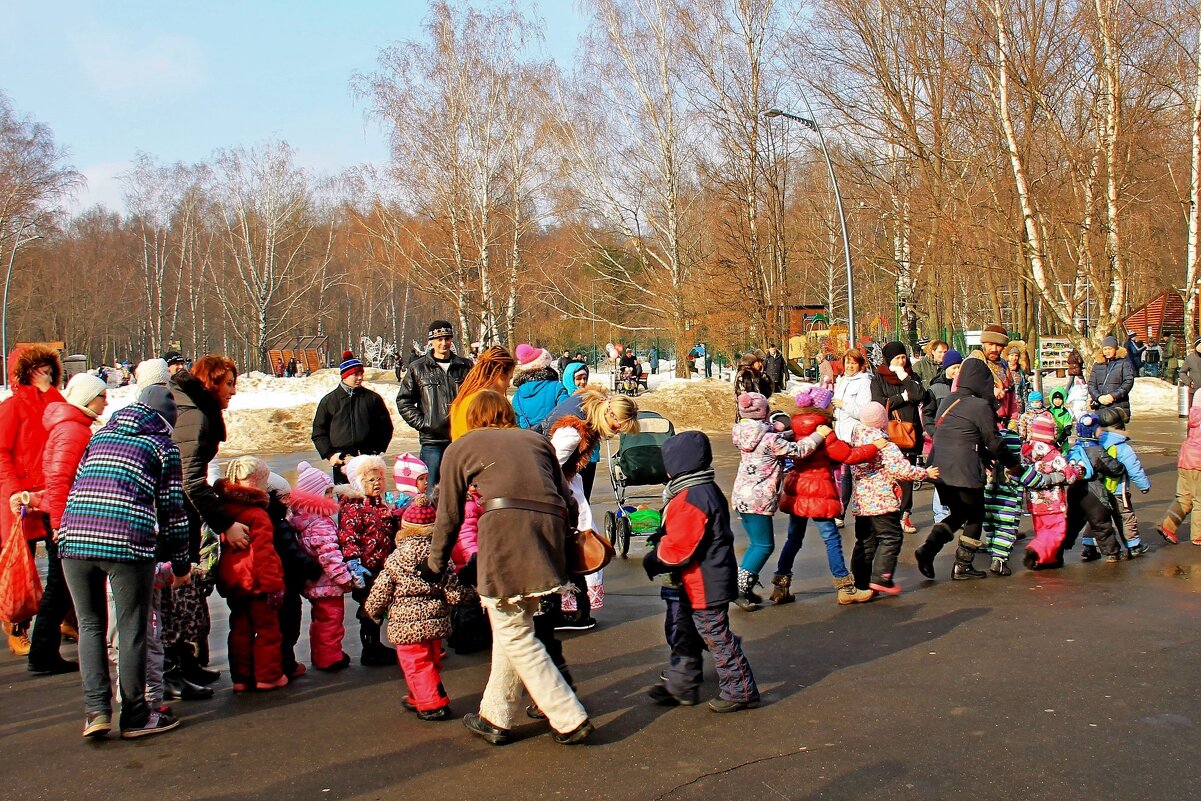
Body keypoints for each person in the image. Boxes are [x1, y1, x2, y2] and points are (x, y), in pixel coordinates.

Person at [423, 391, 593, 746]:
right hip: (549, 533)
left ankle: (569, 717)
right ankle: (494, 717)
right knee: (512, 625)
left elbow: (449, 514)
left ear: (473, 418)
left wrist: (435, 563)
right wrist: (565, 538)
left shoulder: (463, 446)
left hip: (506, 534)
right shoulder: (536, 440)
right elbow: (568, 499)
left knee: (515, 632)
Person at [58, 385, 190, 739]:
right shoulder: (161, 446)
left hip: (75, 539)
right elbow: (173, 511)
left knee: (89, 625)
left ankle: (96, 711)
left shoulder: (100, 436)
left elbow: (79, 481)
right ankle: (134, 715)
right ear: (167, 419)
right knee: (131, 628)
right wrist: (181, 565)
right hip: (127, 542)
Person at [642, 431, 760, 712]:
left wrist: (655, 558)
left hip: (704, 582)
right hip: (698, 579)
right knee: (687, 631)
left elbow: (679, 548)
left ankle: (739, 689)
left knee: (714, 635)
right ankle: (681, 684)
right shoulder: (700, 488)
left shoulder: (692, 497)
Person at [16, 373, 107, 673]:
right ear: (85, 399)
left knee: (62, 587)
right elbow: (60, 481)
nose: (105, 400)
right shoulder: (72, 431)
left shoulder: (73, 427)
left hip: (62, 515)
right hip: (66, 519)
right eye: (100, 395)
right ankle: (42, 653)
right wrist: (57, 525)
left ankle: (43, 652)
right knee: (60, 587)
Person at [166, 355, 243, 692]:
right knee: (176, 594)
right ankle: (172, 671)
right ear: (211, 384)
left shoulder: (194, 409)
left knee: (185, 595)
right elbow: (189, 482)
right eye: (228, 384)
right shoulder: (195, 416)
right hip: (173, 518)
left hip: (180, 514)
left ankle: (186, 663)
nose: (234, 392)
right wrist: (226, 523)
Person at [914, 358, 1022, 580]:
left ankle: (928, 549)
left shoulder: (950, 399)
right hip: (962, 468)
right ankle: (962, 565)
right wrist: (1014, 465)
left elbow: (959, 432)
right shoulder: (980, 405)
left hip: (939, 467)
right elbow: (995, 442)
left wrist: (982, 454)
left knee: (960, 513)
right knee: (975, 516)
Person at [365, 501, 474, 722]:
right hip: (435, 621)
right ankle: (419, 694)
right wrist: (468, 596)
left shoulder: (397, 557)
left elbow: (382, 588)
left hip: (406, 623)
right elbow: (454, 591)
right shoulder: (440, 557)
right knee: (430, 660)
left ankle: (432, 704)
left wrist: (372, 610)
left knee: (416, 663)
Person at [772, 388, 882, 606]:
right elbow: (847, 455)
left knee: (794, 539)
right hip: (818, 489)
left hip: (798, 487)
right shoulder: (822, 428)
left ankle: (780, 586)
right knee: (831, 538)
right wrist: (873, 447)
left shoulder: (795, 425)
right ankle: (845, 588)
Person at [548, 388, 639, 626]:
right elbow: (548, 466)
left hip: (566, 484)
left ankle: (573, 606)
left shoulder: (589, 408)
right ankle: (569, 607)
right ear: (609, 413)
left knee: (580, 540)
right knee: (579, 543)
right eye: (619, 426)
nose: (617, 432)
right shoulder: (573, 432)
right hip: (558, 489)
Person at [0, 345, 65, 656]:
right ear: (24, 374)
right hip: (20, 498)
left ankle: (64, 619)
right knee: (18, 566)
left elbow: (67, 421)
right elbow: (1, 453)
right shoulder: (12, 407)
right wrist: (14, 490)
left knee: (62, 561)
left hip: (49, 494)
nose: (46, 375)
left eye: (49, 369)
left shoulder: (51, 401)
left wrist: (49, 391)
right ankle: (16, 625)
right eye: (38, 369)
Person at [730, 392, 819, 608]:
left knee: (755, 544)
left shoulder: (742, 433)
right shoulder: (770, 440)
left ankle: (745, 586)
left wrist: (786, 431)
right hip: (759, 499)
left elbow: (768, 437)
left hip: (742, 496)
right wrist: (818, 436)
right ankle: (739, 589)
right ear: (765, 413)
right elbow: (799, 451)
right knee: (763, 545)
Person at [848, 401, 938, 596]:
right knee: (891, 537)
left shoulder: (857, 438)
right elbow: (901, 469)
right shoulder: (884, 444)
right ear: (882, 421)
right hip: (882, 500)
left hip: (862, 501)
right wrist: (926, 473)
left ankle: (861, 582)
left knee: (865, 541)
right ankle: (882, 577)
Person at [213, 457, 288, 692]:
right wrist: (274, 586)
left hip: (234, 580)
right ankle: (268, 675)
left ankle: (241, 677)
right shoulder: (257, 514)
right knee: (267, 630)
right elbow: (264, 554)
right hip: (257, 582)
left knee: (240, 628)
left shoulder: (224, 509)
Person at [338, 454, 402, 666]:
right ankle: (370, 648)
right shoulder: (353, 507)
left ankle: (375, 644)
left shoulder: (381, 505)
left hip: (382, 566)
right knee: (368, 607)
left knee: (379, 604)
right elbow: (349, 538)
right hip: (365, 568)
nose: (377, 483)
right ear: (358, 482)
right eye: (371, 480)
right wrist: (353, 563)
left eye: (380, 479)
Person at [289, 461, 353, 671]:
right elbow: (330, 555)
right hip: (328, 583)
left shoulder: (303, 519)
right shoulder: (321, 524)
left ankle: (321, 653)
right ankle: (329, 657)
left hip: (315, 582)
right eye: (326, 493)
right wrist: (344, 577)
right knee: (331, 622)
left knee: (320, 620)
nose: (330, 497)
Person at [396, 320, 473, 486]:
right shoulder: (418, 368)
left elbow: (475, 396)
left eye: (447, 338)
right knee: (431, 490)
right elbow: (404, 401)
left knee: (462, 489)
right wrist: (425, 423)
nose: (443, 343)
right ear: (431, 341)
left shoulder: (465, 366)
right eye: (439, 339)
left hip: (461, 437)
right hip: (432, 441)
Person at [264, 472, 321, 680]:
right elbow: (292, 554)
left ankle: (283, 662)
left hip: (281, 584)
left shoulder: (273, 522)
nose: (289, 502)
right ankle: (286, 663)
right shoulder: (279, 526)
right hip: (285, 585)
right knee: (288, 626)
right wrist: (313, 568)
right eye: (283, 498)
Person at [311, 350, 394, 485]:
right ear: (345, 375)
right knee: (346, 499)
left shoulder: (372, 399)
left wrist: (375, 451)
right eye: (356, 374)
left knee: (370, 499)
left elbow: (385, 427)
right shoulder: (329, 401)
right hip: (342, 461)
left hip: (367, 460)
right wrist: (331, 455)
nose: (360, 377)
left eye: (361, 373)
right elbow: (319, 432)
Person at [869, 341, 925, 534]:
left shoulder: (911, 375)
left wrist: (904, 377)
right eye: (897, 358)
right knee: (888, 476)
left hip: (910, 433)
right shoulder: (878, 379)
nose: (901, 361)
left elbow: (919, 394)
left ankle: (905, 515)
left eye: (903, 357)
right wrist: (902, 397)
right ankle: (888, 514)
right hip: (889, 434)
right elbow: (879, 404)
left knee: (907, 475)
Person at [1063, 415, 1127, 563]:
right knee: (1101, 524)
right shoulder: (1097, 450)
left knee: (1072, 522)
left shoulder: (1075, 449)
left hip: (1074, 491)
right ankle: (1112, 552)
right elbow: (1113, 468)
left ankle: (1059, 548)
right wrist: (1122, 467)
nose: (1101, 430)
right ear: (1092, 431)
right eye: (1098, 427)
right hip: (1093, 493)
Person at [833, 349, 878, 522]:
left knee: (851, 474)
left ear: (860, 365)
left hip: (855, 434)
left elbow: (864, 411)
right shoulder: (842, 380)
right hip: (840, 434)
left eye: (853, 363)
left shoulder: (864, 382)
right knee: (842, 475)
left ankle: (854, 512)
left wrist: (844, 404)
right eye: (847, 362)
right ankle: (842, 512)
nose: (850, 366)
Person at [1159, 388, 1201, 545]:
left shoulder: (1195, 417)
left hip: (1185, 459)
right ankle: (1198, 535)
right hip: (1198, 462)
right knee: (1200, 500)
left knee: (1184, 497)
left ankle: (1167, 526)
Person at [448, 345, 517, 442]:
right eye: (509, 378)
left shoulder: (463, 398)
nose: (509, 385)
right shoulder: (488, 404)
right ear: (500, 373)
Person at [511, 344, 567, 430]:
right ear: (545, 366)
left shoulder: (517, 396)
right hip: (551, 439)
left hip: (528, 439)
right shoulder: (556, 387)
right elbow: (566, 413)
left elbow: (516, 423)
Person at [1087, 335, 1134, 427]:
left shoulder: (1124, 363)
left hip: (1118, 406)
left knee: (1115, 436)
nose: (1107, 351)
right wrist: (1098, 397)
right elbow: (1091, 384)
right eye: (1105, 349)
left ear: (1115, 349)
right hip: (1100, 406)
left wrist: (1113, 396)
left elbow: (1128, 382)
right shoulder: (1097, 365)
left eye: (1109, 348)